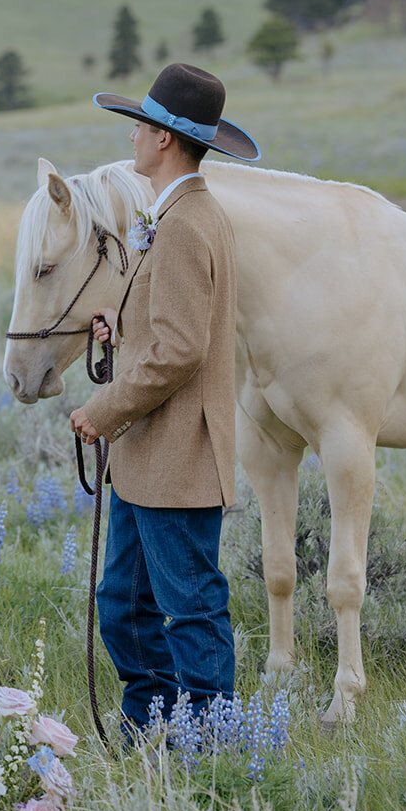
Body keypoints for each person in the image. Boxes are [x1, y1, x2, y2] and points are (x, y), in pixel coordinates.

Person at [69, 62, 260, 742]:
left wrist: (104, 411)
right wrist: (118, 327)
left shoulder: (183, 223)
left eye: (140, 128)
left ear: (165, 140)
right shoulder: (181, 212)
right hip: (150, 454)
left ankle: (211, 744)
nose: (131, 141)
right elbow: (178, 328)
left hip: (175, 451)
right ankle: (149, 724)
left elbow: (180, 349)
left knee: (186, 606)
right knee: (123, 602)